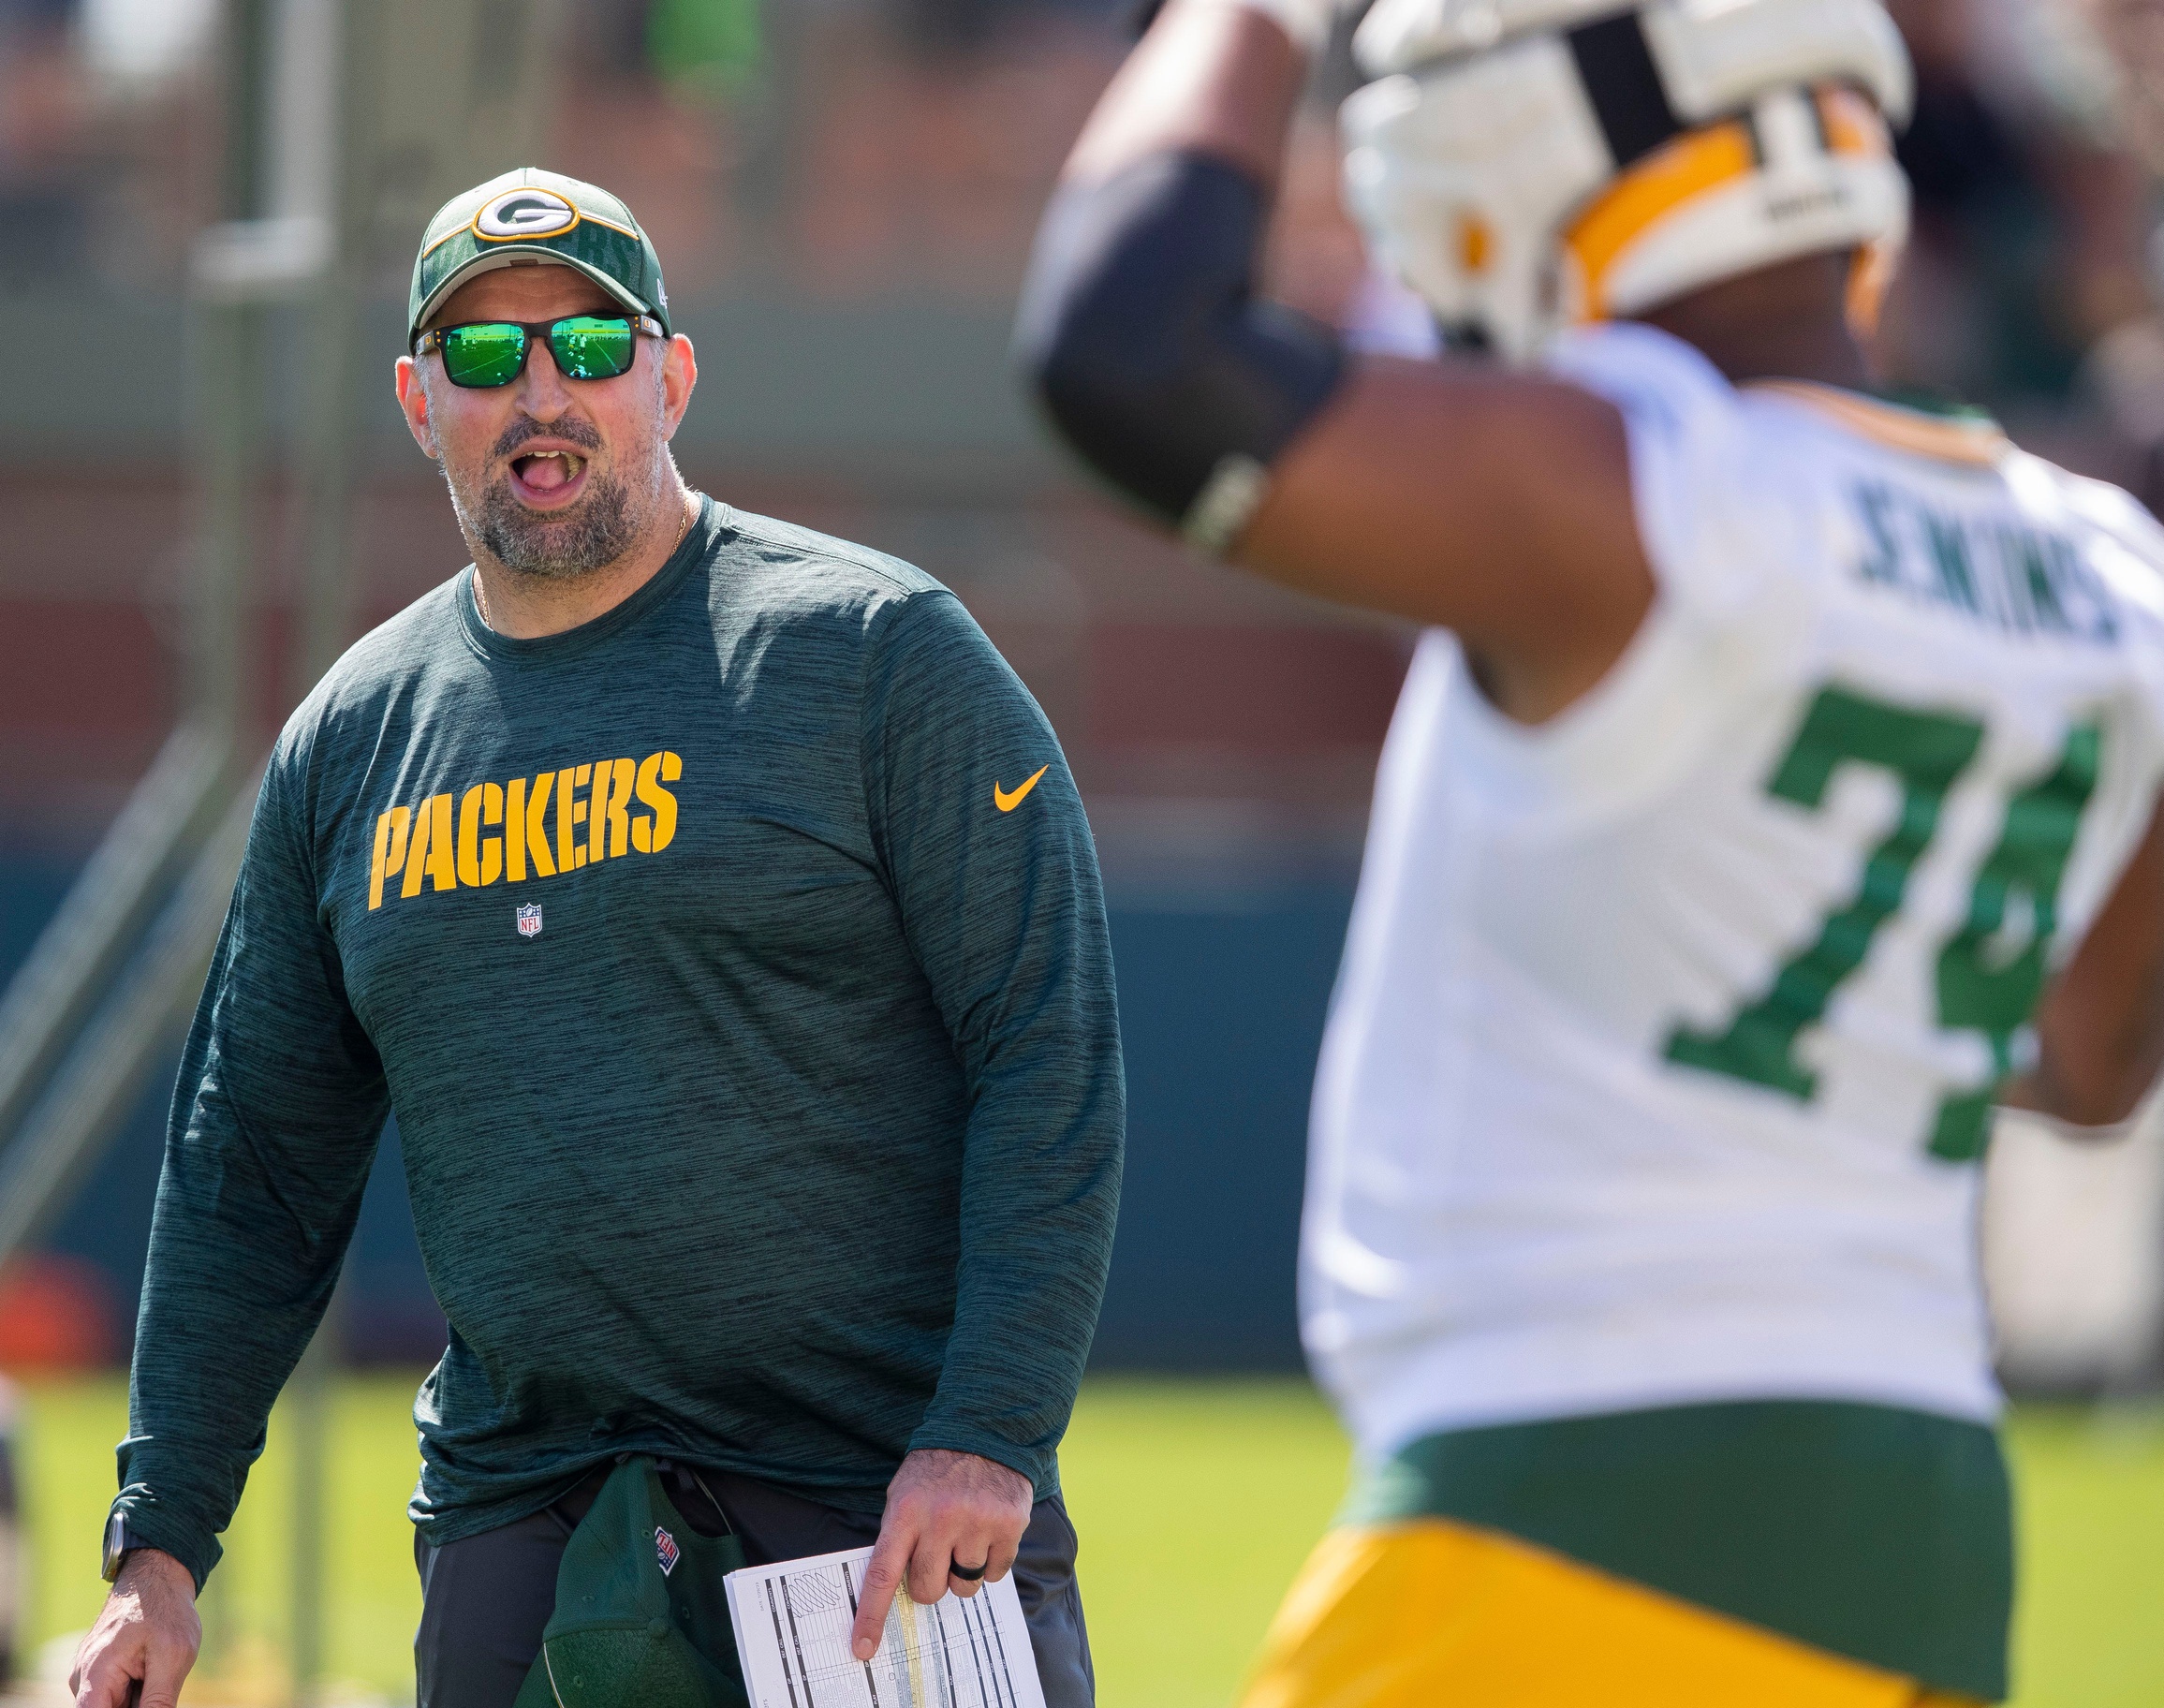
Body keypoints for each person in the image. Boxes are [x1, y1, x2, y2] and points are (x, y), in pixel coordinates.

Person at [1017, 0, 2164, 1701]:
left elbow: (1127, 349)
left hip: (1554, 1520)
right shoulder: (2112, 573)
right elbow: (2082, 1058)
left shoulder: (1646, 486)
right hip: (1925, 1553)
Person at [72, 167, 1122, 1708]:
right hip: (527, 1523)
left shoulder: (875, 655)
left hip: (875, 1516)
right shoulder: (352, 741)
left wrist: (989, 1434)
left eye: (589, 346)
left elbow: (1048, 1055)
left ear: (672, 376)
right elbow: (250, 1176)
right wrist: (156, 1554)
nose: (540, 394)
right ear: (421, 398)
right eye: (486, 357)